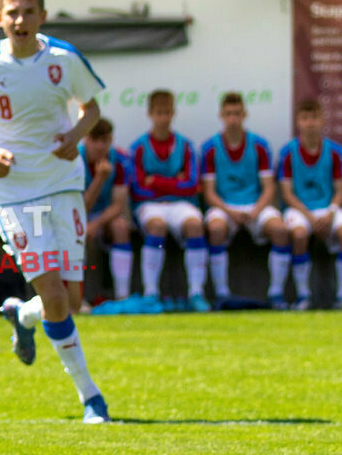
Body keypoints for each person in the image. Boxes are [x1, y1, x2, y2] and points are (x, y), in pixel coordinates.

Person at [0, 0, 111, 424]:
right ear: (0, 18)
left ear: (42, 16)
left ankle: (23, 317)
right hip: (14, 193)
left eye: (28, 11)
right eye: (12, 12)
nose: (20, 19)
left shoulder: (63, 59)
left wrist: (75, 136)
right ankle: (91, 396)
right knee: (55, 293)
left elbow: (91, 108)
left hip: (63, 184)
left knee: (70, 302)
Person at [200, 92, 290, 308]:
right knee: (216, 229)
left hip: (255, 206)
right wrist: (230, 212)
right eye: (229, 114)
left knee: (280, 230)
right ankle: (222, 293)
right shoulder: (210, 147)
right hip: (224, 206)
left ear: (245, 114)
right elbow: (209, 193)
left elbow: (269, 188)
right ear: (221, 115)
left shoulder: (259, 145)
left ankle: (276, 295)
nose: (233, 119)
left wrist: (255, 212)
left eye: (237, 114)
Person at [128, 89, 209, 313]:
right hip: (150, 205)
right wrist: (175, 181)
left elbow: (192, 184)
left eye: (167, 113)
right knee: (157, 225)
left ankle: (196, 292)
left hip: (180, 203)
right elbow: (137, 190)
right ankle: (151, 292)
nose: (163, 118)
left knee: (194, 224)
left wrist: (155, 181)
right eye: (158, 113)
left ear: (173, 113)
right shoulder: (139, 147)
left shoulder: (185, 145)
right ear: (150, 114)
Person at [276, 98, 342, 310]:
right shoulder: (288, 152)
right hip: (300, 210)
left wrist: (331, 212)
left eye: (314, 117)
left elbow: (340, 189)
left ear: (322, 119)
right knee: (299, 234)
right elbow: (287, 194)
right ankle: (304, 295)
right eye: (305, 118)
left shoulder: (334, 152)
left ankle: (340, 295)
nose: (310, 122)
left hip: (328, 208)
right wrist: (310, 216)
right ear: (298, 122)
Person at [80, 117, 133, 303]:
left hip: (103, 216)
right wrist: (100, 179)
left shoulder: (120, 159)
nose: (102, 147)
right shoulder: (74, 160)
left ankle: (122, 296)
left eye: (106, 141)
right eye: (97, 141)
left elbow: (118, 205)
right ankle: (79, 297)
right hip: (76, 215)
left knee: (120, 227)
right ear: (87, 139)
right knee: (76, 231)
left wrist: (96, 223)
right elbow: (81, 206)